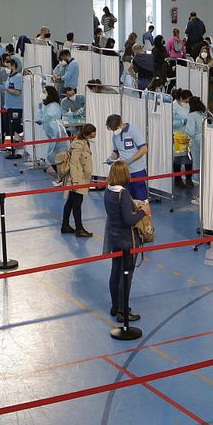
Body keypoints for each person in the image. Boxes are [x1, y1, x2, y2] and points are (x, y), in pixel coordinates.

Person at [101, 161, 147, 322]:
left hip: (114, 237)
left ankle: (115, 306)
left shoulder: (108, 191)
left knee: (115, 272)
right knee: (126, 275)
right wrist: (142, 212)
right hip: (127, 240)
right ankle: (123, 312)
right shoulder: (124, 194)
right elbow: (129, 220)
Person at [103, 113, 150, 200]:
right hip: (124, 172)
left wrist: (131, 160)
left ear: (121, 123)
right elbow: (116, 151)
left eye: (115, 128)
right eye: (113, 130)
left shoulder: (133, 131)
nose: (114, 131)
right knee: (127, 199)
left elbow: (144, 149)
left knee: (141, 198)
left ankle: (144, 213)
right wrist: (111, 158)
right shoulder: (115, 135)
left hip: (137, 171)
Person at [61, 123, 96, 238]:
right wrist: (75, 181)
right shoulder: (79, 144)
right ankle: (79, 229)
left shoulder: (83, 141)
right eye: (94, 132)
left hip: (80, 177)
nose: (95, 134)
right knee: (77, 204)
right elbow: (73, 162)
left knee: (71, 202)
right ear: (89, 133)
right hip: (78, 178)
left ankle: (65, 226)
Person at [38, 86, 67, 173]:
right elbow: (43, 116)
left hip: (57, 132)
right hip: (52, 133)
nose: (42, 94)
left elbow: (47, 116)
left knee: (56, 155)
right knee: (53, 156)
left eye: (44, 92)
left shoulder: (54, 105)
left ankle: (61, 176)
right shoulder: (47, 105)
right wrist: (40, 110)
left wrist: (42, 120)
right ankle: (59, 176)